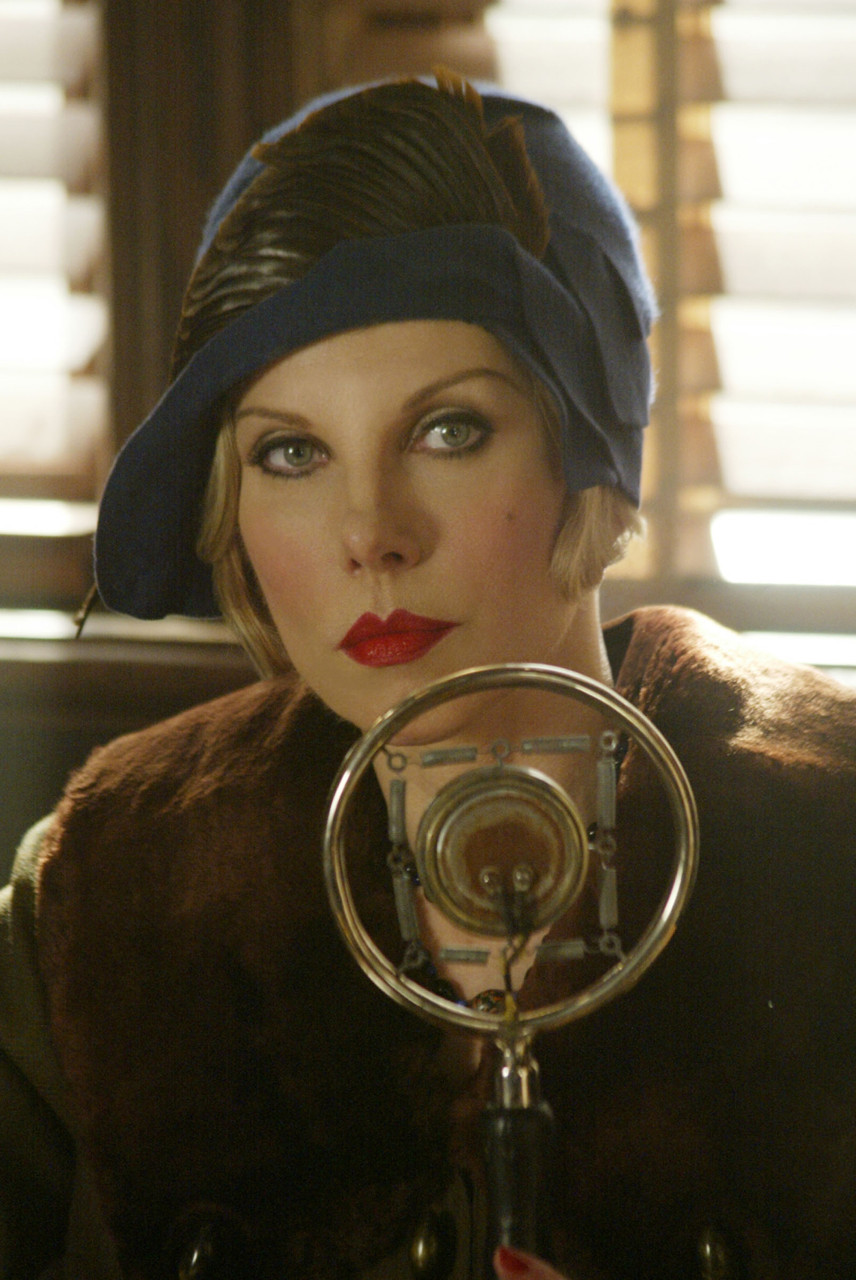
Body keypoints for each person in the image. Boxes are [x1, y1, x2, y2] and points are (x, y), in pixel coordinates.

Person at [1, 71, 855, 1280]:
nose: (371, 531)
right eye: (290, 452)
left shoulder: (832, 831)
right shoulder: (96, 894)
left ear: (590, 458)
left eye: (449, 429)